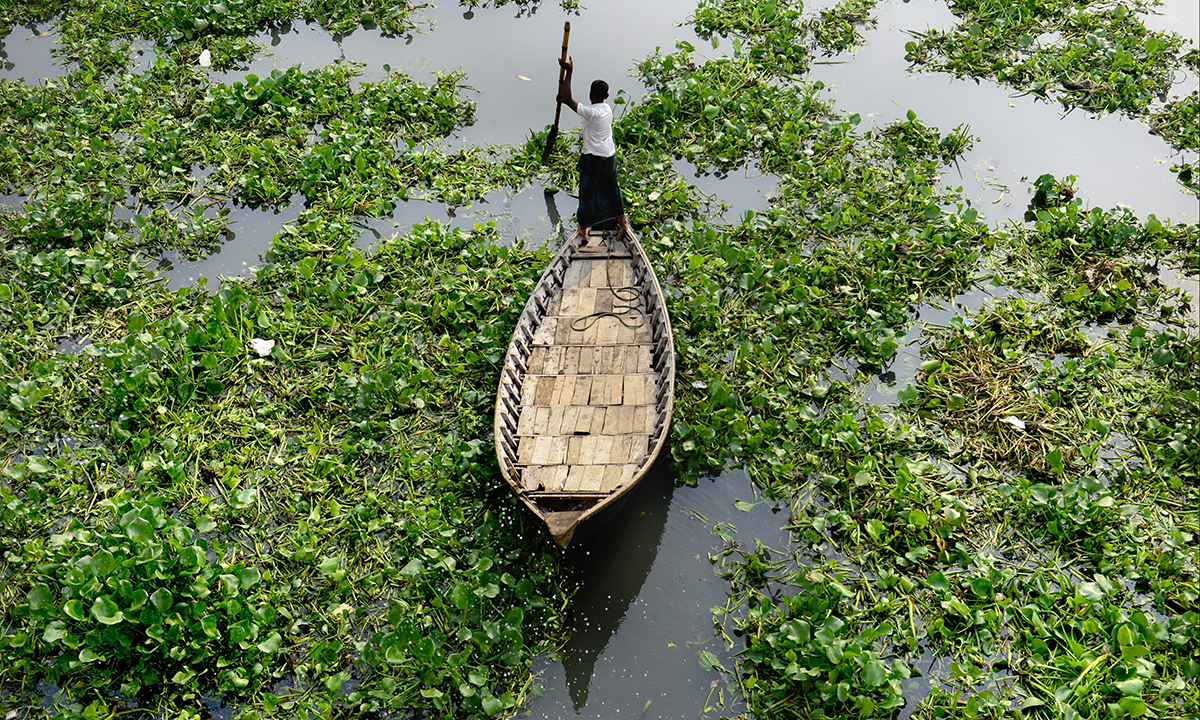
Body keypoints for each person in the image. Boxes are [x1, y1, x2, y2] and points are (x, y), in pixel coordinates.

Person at [556, 56, 629, 236]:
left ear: (591, 94)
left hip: (593, 159)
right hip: (609, 157)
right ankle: (622, 221)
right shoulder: (607, 109)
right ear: (606, 96)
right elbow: (567, 99)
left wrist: (569, 71)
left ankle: (583, 227)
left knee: (587, 192)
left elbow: (568, 98)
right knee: (612, 189)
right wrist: (564, 98)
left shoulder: (590, 113)